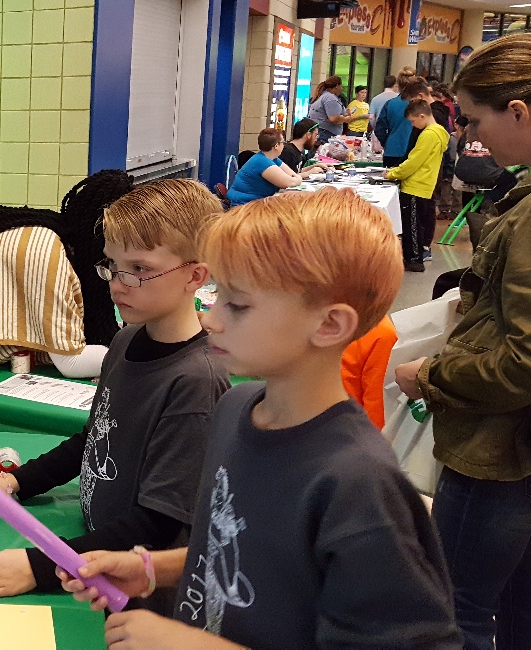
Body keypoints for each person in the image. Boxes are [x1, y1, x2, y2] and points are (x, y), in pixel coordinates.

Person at [57, 188, 461, 649]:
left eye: (238, 304)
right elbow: (244, 551)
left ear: (330, 325)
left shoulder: (357, 484)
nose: (211, 320)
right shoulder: (235, 409)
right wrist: (154, 568)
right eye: (217, 296)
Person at [0, 179, 230, 600]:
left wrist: (41, 566)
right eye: (112, 266)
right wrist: (13, 483)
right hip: (96, 547)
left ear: (196, 275)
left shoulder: (197, 383)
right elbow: (95, 439)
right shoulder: (125, 341)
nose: (118, 283)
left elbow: (157, 526)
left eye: (140, 270)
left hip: (134, 586)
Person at [395, 33, 531, 650]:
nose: (473, 138)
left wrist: (428, 376)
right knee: (528, 604)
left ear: (518, 111)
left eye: (477, 119)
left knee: (456, 608)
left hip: (500, 451)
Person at [387, 99, 448, 272]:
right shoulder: (440, 133)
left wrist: (393, 173)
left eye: (413, 121)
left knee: (411, 225)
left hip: (415, 185)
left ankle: (413, 259)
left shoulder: (429, 134)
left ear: (422, 116)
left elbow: (414, 161)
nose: (413, 125)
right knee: (417, 224)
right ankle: (416, 255)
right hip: (425, 184)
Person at [227, 128, 320, 205]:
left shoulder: (272, 158)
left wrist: (296, 177)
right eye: (283, 142)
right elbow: (289, 182)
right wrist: (297, 178)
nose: (284, 145)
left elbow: (292, 174)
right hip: (243, 206)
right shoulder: (261, 162)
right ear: (276, 146)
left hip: (254, 203)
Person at [454, 116, 519, 204]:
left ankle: (469, 211)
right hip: (486, 172)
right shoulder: (499, 130)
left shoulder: (471, 128)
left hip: (461, 171)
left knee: (475, 182)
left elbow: (459, 148)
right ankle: (489, 201)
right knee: (510, 180)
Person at [379, 76, 432, 168]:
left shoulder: (390, 103)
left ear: (398, 86)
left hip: (392, 149)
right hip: (413, 151)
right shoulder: (425, 109)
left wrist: (387, 142)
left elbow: (380, 128)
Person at [308, 76, 364, 145]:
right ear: (337, 86)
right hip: (326, 134)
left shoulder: (323, 95)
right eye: (341, 86)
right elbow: (334, 118)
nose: (342, 89)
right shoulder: (330, 98)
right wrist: (346, 119)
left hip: (321, 132)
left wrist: (344, 113)